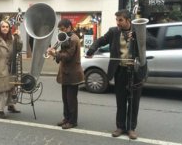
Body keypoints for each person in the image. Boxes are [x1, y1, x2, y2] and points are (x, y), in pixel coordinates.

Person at [86, 9, 157, 139]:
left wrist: (138, 36)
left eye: (120, 20)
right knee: (121, 100)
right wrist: (91, 49)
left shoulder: (138, 29)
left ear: (128, 20)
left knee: (134, 101)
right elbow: (101, 40)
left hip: (136, 72)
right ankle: (120, 127)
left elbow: (154, 42)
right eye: (117, 20)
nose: (118, 23)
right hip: (120, 71)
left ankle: (131, 128)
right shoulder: (114, 31)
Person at [47, 19, 84, 129]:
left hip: (72, 74)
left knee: (71, 99)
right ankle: (66, 118)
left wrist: (54, 53)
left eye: (63, 29)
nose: (61, 32)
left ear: (69, 27)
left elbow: (67, 56)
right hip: (66, 73)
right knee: (65, 98)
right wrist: (54, 51)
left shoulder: (73, 39)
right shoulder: (66, 37)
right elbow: (63, 53)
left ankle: (72, 121)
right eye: (60, 30)